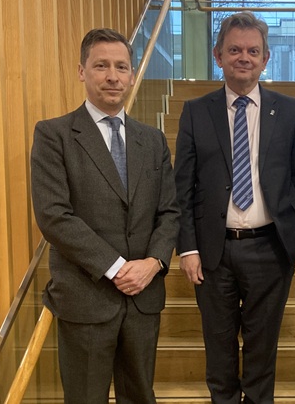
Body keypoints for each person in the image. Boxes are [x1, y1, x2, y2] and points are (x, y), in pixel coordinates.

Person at [31, 28, 180, 403]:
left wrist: (154, 262)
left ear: (131, 75)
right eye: (101, 66)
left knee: (140, 396)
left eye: (121, 67)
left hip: (143, 297)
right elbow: (54, 215)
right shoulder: (54, 135)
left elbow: (170, 211)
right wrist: (116, 267)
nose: (113, 76)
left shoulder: (153, 140)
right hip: (86, 296)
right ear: (82, 71)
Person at [174, 11, 295, 404]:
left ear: (266, 58)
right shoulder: (195, 111)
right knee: (218, 349)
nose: (244, 57)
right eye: (234, 50)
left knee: (261, 348)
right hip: (212, 251)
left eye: (253, 50)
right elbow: (181, 187)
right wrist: (187, 247)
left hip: (271, 248)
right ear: (218, 56)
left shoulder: (291, 111)